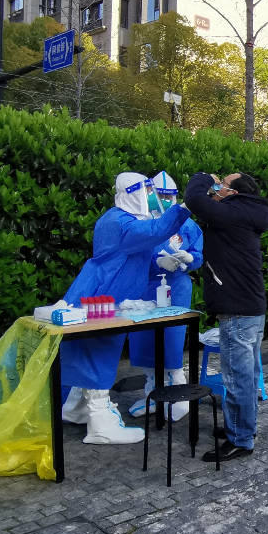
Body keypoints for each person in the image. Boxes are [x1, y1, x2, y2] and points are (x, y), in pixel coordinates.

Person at [60, 173, 191, 445]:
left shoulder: (126, 221)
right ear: (134, 193)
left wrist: (162, 263)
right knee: (100, 351)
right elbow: (152, 232)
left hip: (110, 296)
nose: (153, 198)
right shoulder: (117, 221)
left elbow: (141, 253)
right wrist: (186, 208)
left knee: (93, 350)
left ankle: (75, 409)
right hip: (101, 297)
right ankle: (99, 424)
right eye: (149, 192)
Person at [184, 171, 268, 462]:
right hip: (250, 306)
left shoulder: (233, 213)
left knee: (237, 377)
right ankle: (242, 428)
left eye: (222, 183)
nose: (216, 186)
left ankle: (240, 441)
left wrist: (201, 177)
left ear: (233, 193)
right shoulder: (245, 212)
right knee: (247, 375)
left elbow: (194, 199)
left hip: (237, 308)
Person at [127, 171, 204, 421]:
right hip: (144, 286)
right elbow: (131, 253)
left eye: (168, 195)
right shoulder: (141, 221)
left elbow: (199, 252)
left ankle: (179, 391)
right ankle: (152, 392)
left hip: (176, 287)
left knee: (172, 336)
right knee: (144, 338)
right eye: (159, 194)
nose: (163, 199)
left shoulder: (187, 223)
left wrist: (190, 259)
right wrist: (156, 261)